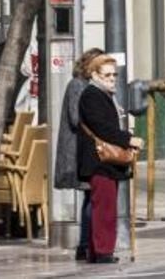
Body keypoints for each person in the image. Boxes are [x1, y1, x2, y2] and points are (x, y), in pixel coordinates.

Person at [77, 55, 143, 263]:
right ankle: (103, 251)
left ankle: (98, 251)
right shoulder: (92, 95)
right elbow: (101, 127)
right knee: (104, 208)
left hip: (103, 161)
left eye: (115, 74)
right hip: (99, 160)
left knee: (105, 206)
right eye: (107, 74)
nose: (113, 78)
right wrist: (129, 139)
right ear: (95, 75)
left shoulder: (103, 94)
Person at [54, 48, 104, 261]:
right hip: (78, 149)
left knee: (91, 195)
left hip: (87, 148)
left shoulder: (92, 86)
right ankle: (84, 245)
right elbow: (76, 118)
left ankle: (86, 245)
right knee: (91, 195)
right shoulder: (77, 85)